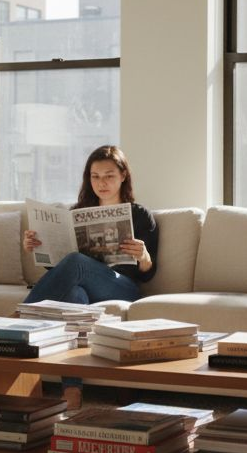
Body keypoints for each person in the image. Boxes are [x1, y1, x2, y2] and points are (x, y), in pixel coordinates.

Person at [22, 145, 159, 409]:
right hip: (85, 284)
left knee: (76, 262)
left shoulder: (140, 215)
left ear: (123, 176)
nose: (102, 183)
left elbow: (150, 273)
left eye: (109, 175)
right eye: (95, 176)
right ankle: (72, 390)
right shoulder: (77, 213)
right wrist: (39, 248)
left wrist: (143, 256)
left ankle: (22, 315)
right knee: (74, 297)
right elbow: (61, 272)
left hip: (123, 287)